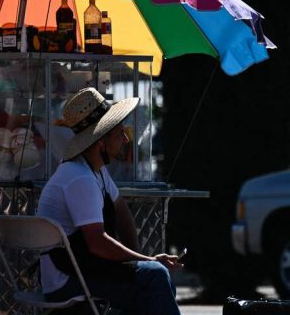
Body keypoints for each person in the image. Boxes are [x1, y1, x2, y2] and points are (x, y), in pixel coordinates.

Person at [37, 87, 182, 315]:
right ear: (101, 143)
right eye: (119, 133)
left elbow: (120, 208)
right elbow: (97, 242)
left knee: (152, 276)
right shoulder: (79, 178)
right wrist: (147, 260)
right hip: (66, 279)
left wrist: (138, 264)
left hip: (84, 268)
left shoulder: (95, 170)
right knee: (155, 275)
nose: (125, 139)